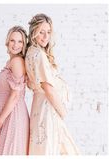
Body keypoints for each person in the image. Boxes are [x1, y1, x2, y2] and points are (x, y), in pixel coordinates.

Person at [25, 13, 80, 155]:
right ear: (34, 33)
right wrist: (63, 112)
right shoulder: (38, 55)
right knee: (53, 150)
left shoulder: (32, 52)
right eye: (41, 32)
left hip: (41, 108)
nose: (45, 36)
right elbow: (48, 88)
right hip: (47, 109)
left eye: (48, 32)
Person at [0, 26, 30, 155]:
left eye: (20, 41)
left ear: (24, 44)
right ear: (7, 42)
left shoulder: (17, 61)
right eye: (13, 40)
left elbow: (15, 95)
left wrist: (1, 119)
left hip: (13, 114)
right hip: (10, 114)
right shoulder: (12, 61)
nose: (16, 45)